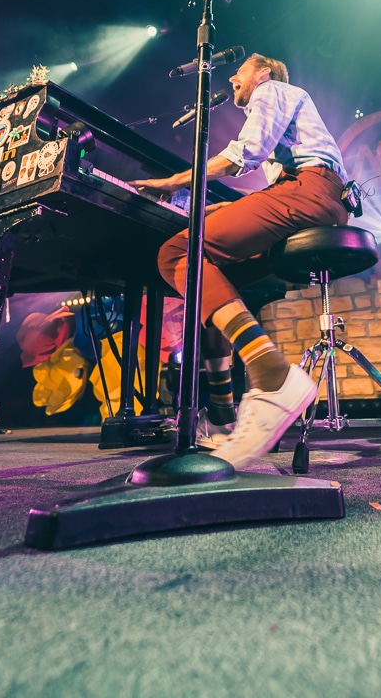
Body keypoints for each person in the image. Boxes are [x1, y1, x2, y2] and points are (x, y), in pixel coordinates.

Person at [131, 53, 349, 469]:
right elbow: (274, 175)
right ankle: (225, 419)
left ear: (263, 73)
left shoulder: (273, 90)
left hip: (309, 191)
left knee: (176, 253)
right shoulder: (286, 105)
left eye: (240, 71)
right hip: (311, 192)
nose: (232, 77)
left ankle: (271, 372)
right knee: (209, 286)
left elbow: (244, 152)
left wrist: (173, 181)